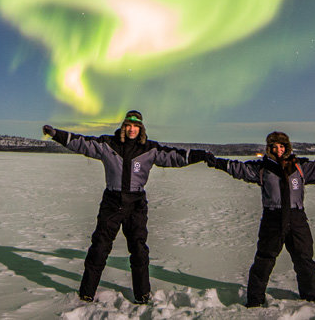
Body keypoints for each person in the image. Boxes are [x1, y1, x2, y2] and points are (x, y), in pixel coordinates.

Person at [42, 110, 208, 304]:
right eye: (128, 125)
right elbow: (82, 143)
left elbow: (174, 156)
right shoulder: (108, 144)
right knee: (99, 248)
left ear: (141, 129)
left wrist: (200, 155)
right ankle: (86, 293)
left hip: (136, 204)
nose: (131, 129)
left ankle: (142, 294)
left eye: (136, 126)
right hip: (112, 202)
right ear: (123, 127)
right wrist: (56, 134)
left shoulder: (149, 149)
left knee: (139, 250)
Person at [205, 131, 315, 307]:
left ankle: (310, 298)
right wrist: (217, 162)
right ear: (269, 149)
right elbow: (239, 168)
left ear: (287, 147)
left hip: (297, 218)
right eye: (274, 147)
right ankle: (254, 301)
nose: (278, 150)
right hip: (272, 219)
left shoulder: (299, 167)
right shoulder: (262, 169)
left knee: (305, 260)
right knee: (264, 261)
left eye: (281, 146)